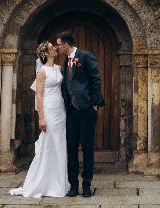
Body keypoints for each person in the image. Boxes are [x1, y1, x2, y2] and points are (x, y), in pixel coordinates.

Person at [9, 41, 69, 198]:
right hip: (48, 108)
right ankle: (43, 183)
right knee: (49, 143)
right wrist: (41, 117)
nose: (55, 49)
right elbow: (39, 95)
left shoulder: (59, 68)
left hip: (60, 108)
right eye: (51, 48)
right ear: (45, 53)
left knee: (60, 143)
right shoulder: (42, 72)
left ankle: (59, 183)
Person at [55, 31, 104, 198]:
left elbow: (95, 79)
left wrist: (95, 103)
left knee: (88, 148)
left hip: (87, 111)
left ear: (66, 44)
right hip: (71, 112)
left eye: (59, 44)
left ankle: (87, 184)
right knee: (71, 148)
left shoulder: (85, 57)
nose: (58, 47)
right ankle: (73, 185)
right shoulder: (64, 61)